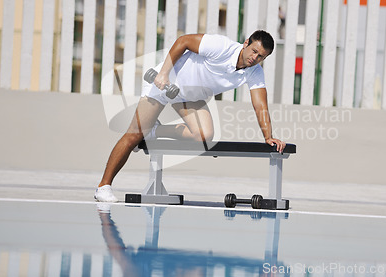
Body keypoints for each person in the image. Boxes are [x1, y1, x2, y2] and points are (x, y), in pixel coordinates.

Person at [95, 30, 286, 202]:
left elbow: (260, 104)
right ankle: (103, 186)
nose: (255, 58)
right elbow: (184, 41)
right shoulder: (221, 46)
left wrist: (268, 136)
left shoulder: (254, 72)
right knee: (134, 135)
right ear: (246, 43)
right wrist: (163, 73)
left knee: (203, 135)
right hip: (165, 83)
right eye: (254, 51)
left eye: (261, 57)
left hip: (191, 97)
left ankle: (155, 130)